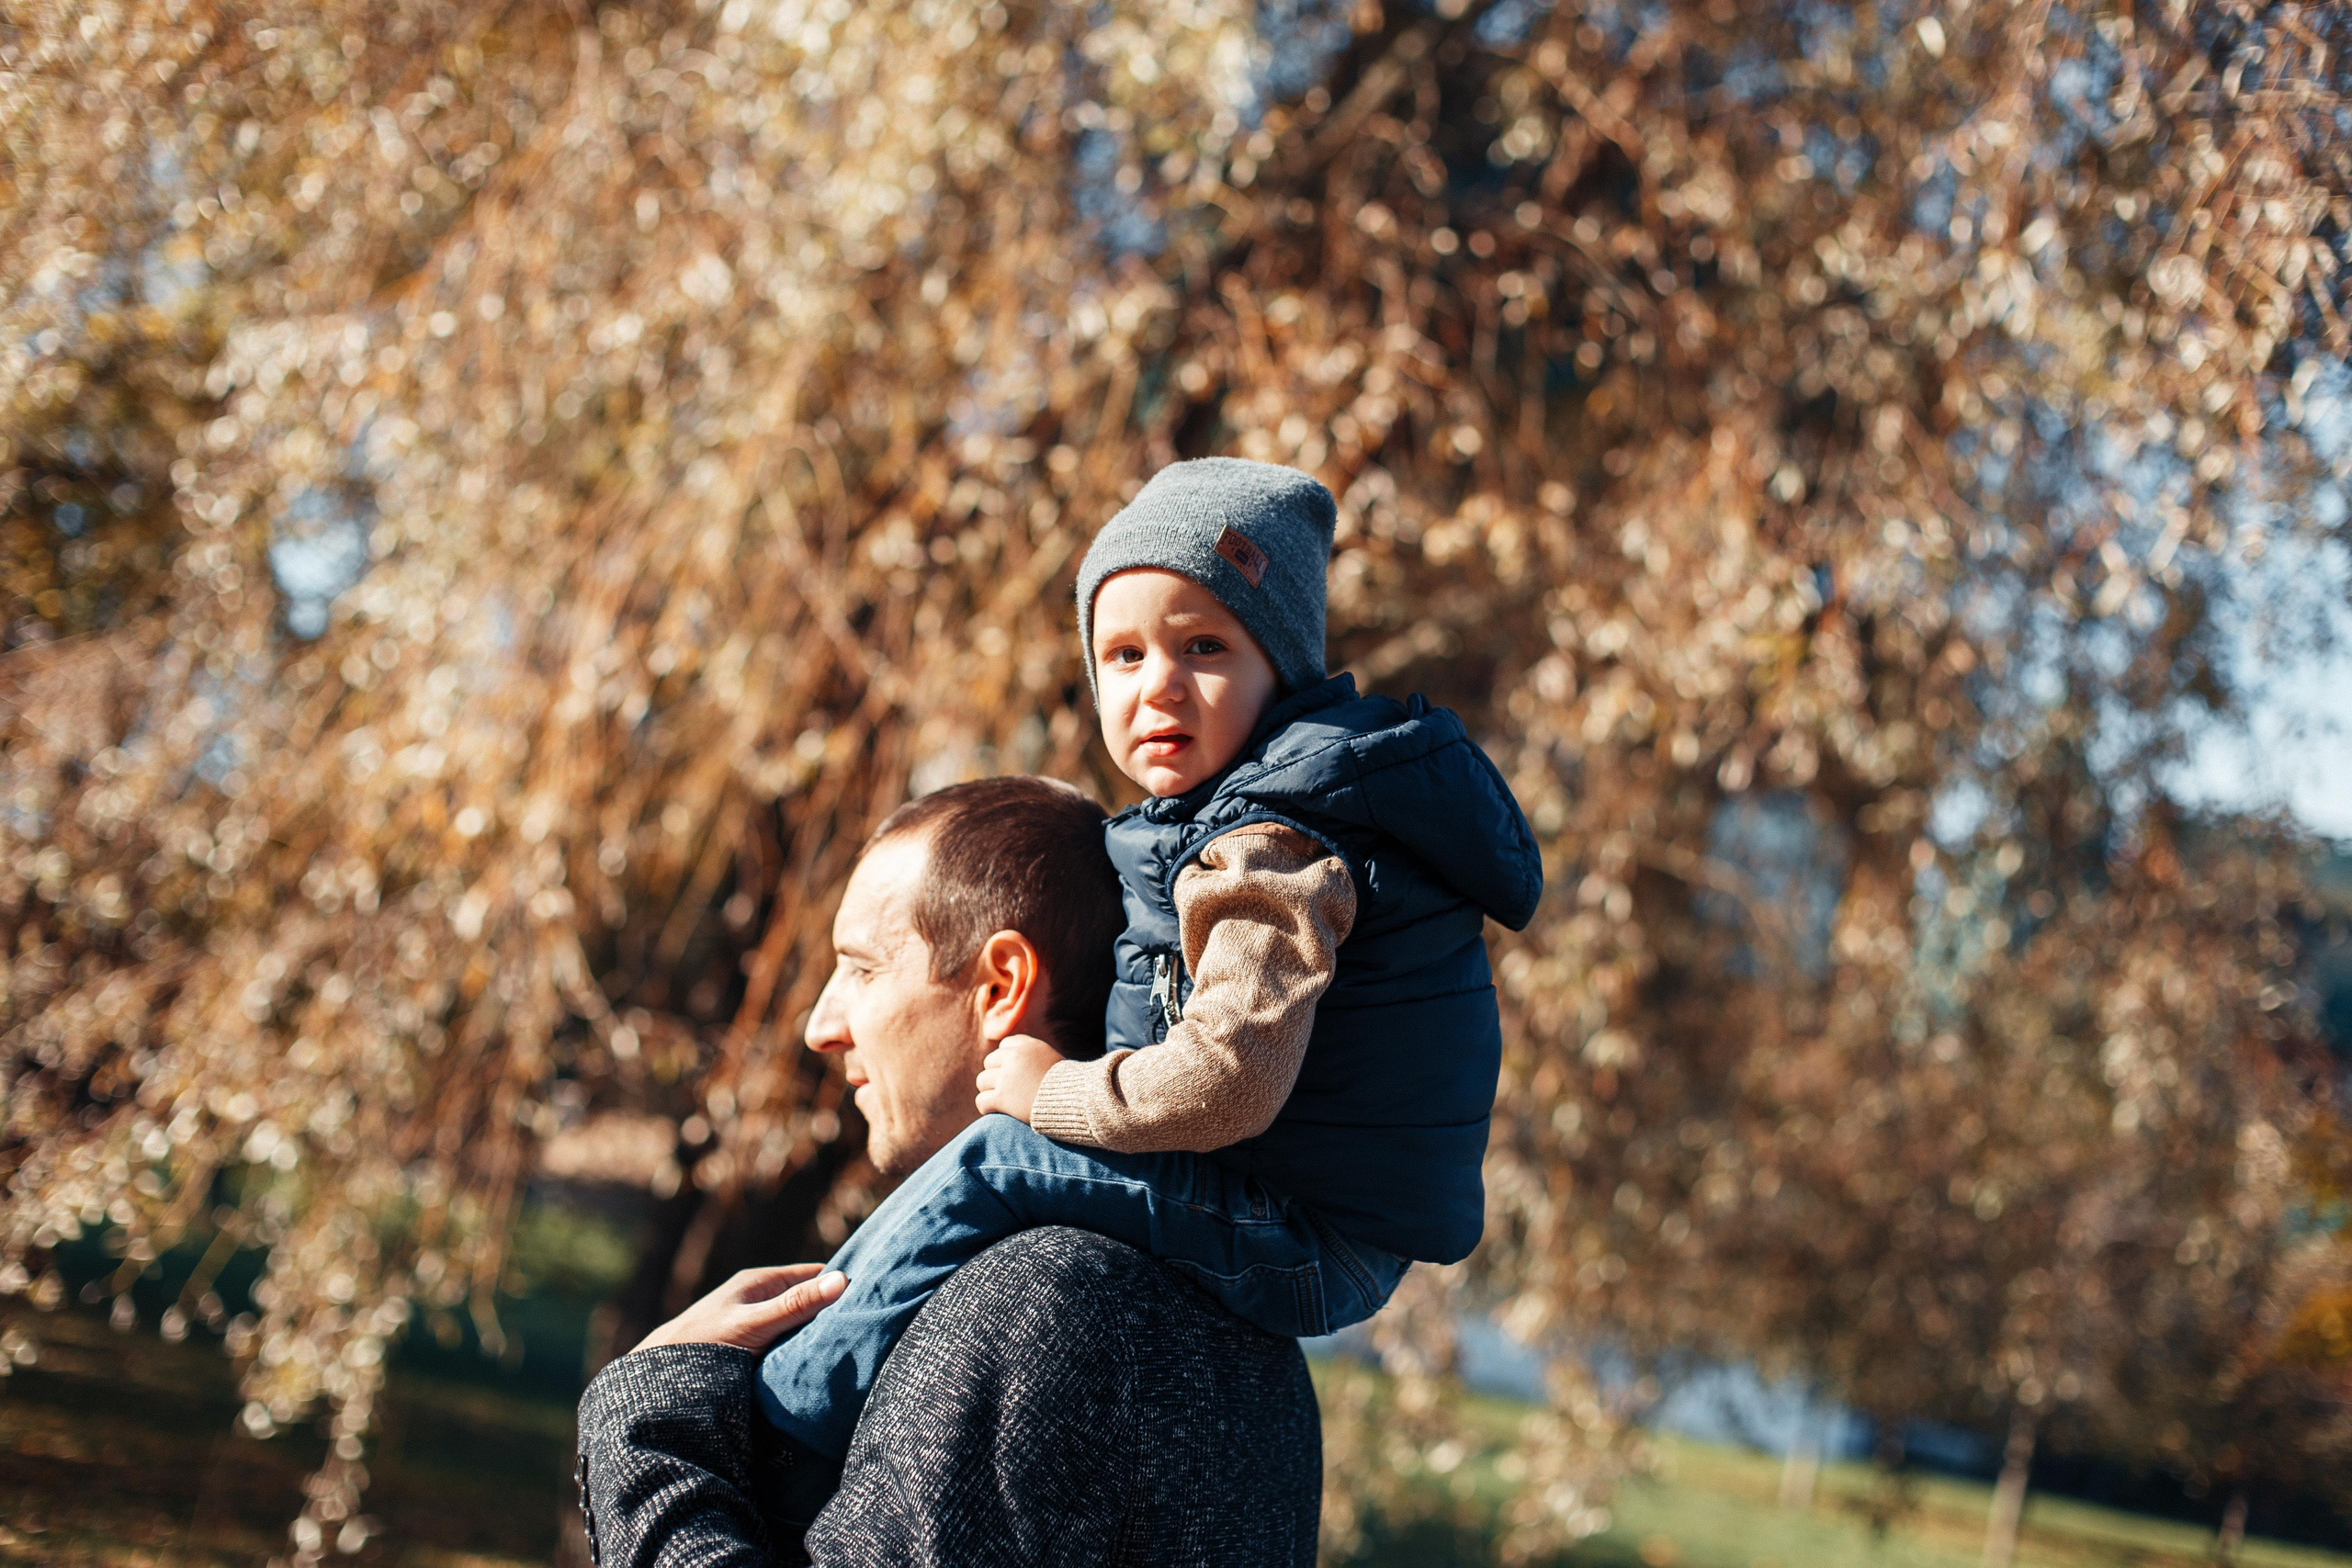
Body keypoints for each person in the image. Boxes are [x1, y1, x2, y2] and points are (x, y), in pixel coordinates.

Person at [756, 458, 1544, 1509]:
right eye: (1122, 654)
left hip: (1307, 1239)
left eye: (1203, 647)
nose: (1157, 684)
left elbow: (1227, 1080)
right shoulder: (1242, 821)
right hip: (1292, 1211)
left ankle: (782, 1404)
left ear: (1284, 670)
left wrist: (1053, 1095)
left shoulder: (1273, 844)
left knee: (1000, 1156)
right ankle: (839, 1368)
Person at [574, 776, 1322, 1565]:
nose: (820, 1026)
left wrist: (644, 1433)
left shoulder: (1034, 1301)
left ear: (1000, 986)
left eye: (862, 969)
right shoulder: (1256, 1340)